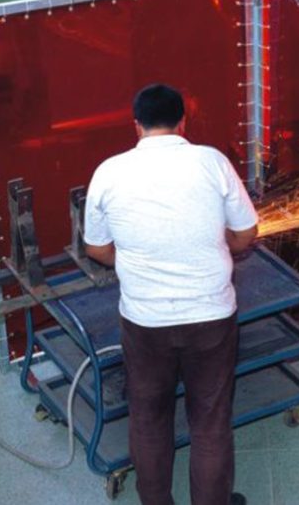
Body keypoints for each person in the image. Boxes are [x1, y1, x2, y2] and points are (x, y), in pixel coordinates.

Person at [83, 84, 258, 505]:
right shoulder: (212, 162)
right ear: (183, 122)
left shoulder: (108, 172)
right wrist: (218, 245)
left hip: (145, 322)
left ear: (136, 126)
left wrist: (134, 259)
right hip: (210, 316)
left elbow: (96, 249)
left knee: (147, 418)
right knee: (210, 422)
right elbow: (246, 233)